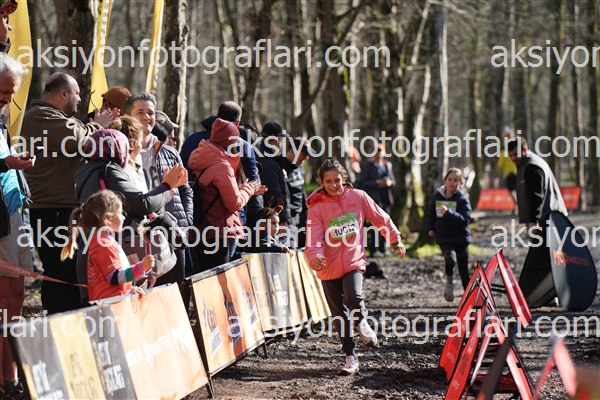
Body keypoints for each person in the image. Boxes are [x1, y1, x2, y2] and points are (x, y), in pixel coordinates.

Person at [20, 72, 116, 314]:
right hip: (51, 211)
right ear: (64, 93)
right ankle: (57, 323)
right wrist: (98, 126)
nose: (80, 99)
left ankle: (72, 321)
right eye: (77, 94)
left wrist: (92, 125)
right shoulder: (40, 116)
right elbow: (81, 141)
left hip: (63, 208)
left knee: (72, 270)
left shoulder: (58, 118)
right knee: (60, 272)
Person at [305, 159, 405, 375]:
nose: (333, 185)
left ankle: (361, 321)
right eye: (328, 181)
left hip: (353, 260)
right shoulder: (317, 208)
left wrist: (394, 239)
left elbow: (380, 218)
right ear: (321, 182)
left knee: (353, 295)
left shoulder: (358, 197)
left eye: (337, 180)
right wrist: (315, 257)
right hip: (328, 267)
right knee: (339, 315)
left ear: (344, 178)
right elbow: (313, 238)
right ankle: (350, 356)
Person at [123, 92, 193, 284]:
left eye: (151, 113)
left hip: (172, 232)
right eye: (140, 112)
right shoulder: (121, 153)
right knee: (144, 293)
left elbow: (186, 190)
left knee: (175, 291)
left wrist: (185, 222)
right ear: (128, 116)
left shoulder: (170, 152)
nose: (147, 117)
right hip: (139, 236)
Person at [188, 118, 267, 270]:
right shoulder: (222, 166)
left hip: (206, 228)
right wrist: (249, 189)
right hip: (222, 232)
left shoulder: (204, 155)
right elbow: (234, 203)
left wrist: (242, 188)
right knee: (219, 277)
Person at [0, 52, 33, 400]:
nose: (9, 100)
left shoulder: (1, 117)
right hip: (1, 222)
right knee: (4, 298)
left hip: (14, 211)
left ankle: (14, 375)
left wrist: (14, 163)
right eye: (5, 92)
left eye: (12, 92)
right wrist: (4, 163)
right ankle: (5, 378)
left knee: (17, 296)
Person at [60, 190, 155, 301]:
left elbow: (110, 279)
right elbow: (114, 277)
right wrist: (141, 267)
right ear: (107, 218)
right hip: (110, 304)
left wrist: (130, 289)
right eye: (120, 213)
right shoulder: (103, 244)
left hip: (110, 301)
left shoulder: (103, 240)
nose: (124, 217)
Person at [180, 101, 262, 226]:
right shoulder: (242, 147)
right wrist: (258, 223)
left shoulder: (192, 140)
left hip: (194, 214)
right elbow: (254, 185)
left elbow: (181, 176)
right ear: (238, 123)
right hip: (229, 221)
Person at [425, 167, 473, 302]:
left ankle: (469, 298)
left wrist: (448, 213)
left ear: (461, 183)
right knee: (450, 259)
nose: (452, 183)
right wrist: (430, 228)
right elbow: (430, 215)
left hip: (461, 239)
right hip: (445, 237)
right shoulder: (437, 196)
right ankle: (449, 282)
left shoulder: (462, 198)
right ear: (445, 181)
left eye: (456, 180)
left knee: (464, 271)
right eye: (450, 179)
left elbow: (465, 219)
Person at [507, 137, 567, 226]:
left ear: (525, 150)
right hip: (547, 218)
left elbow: (537, 196)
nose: (513, 158)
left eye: (516, 154)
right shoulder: (525, 163)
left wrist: (534, 221)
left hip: (549, 219)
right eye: (510, 155)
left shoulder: (532, 166)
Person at [358, 144, 396, 257]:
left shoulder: (387, 165)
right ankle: (373, 250)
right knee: (374, 226)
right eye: (377, 151)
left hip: (385, 199)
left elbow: (393, 181)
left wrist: (389, 183)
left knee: (385, 224)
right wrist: (377, 183)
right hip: (373, 200)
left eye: (381, 151)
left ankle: (383, 249)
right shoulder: (368, 166)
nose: (379, 153)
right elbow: (363, 182)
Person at [281, 137, 311, 247]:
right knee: (291, 248)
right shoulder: (280, 166)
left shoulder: (300, 166)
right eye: (304, 154)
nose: (306, 158)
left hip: (301, 217)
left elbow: (301, 190)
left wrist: (307, 210)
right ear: (293, 151)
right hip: (288, 219)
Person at [496, 129, 518, 211]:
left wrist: (497, 173)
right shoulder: (516, 150)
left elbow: (499, 165)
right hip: (517, 172)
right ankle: (517, 206)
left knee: (512, 191)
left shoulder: (504, 152)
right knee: (516, 190)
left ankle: (516, 205)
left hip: (509, 174)